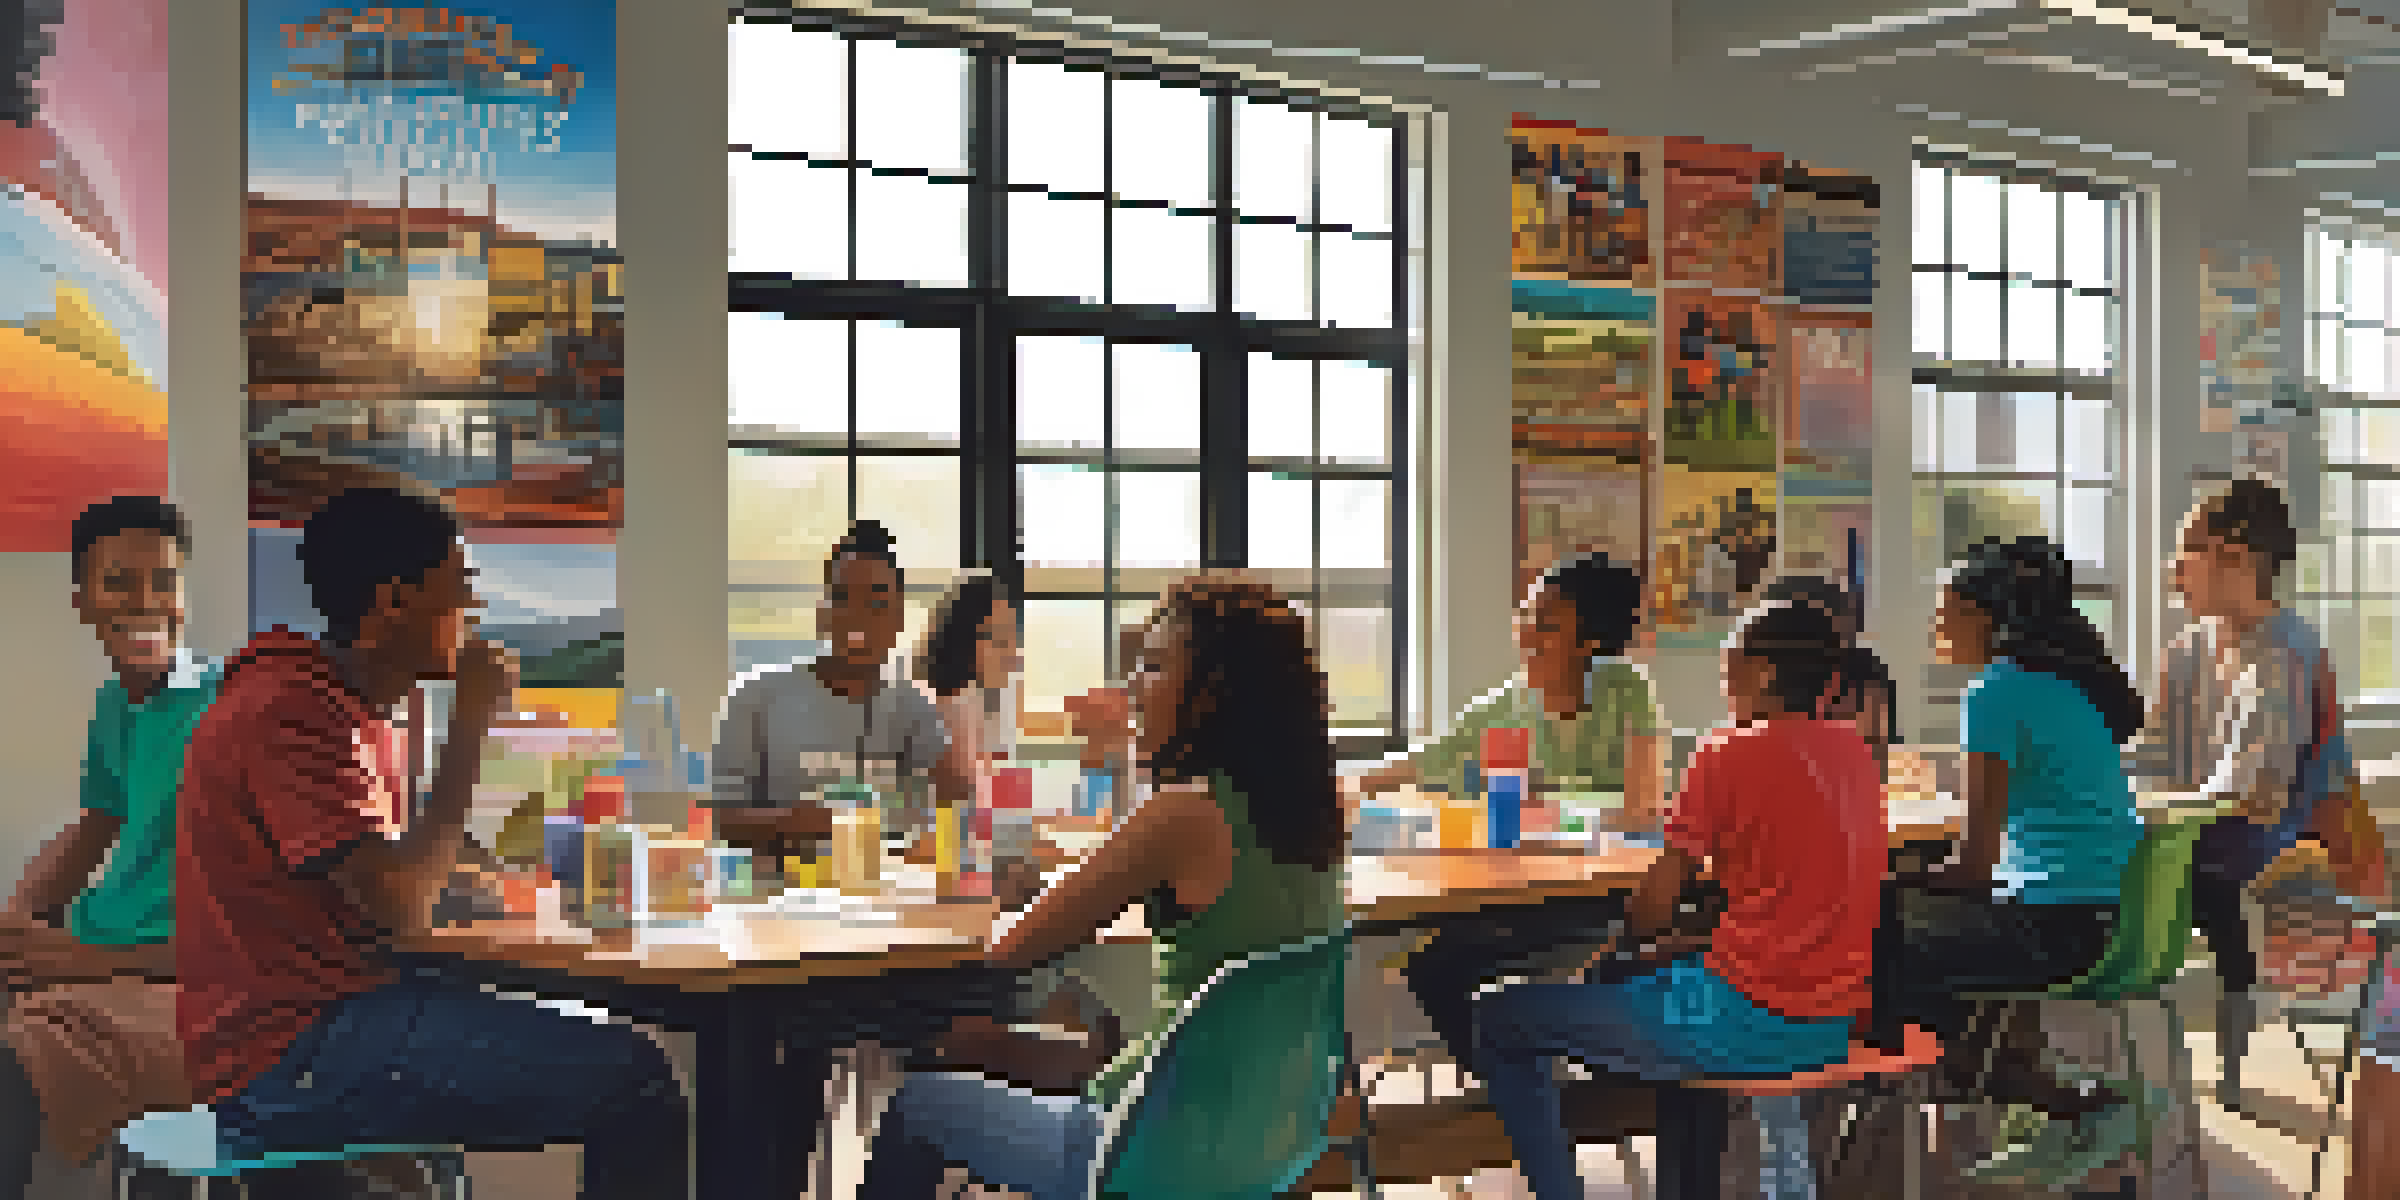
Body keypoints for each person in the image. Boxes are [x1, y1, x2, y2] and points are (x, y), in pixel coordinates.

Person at [173, 486, 688, 1200]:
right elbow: (401, 908)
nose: (474, 613)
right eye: (461, 587)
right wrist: (471, 725)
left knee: (607, 1045)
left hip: (335, 1015)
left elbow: (397, 855)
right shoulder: (288, 710)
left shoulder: (352, 707)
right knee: (636, 1081)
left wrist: (493, 877)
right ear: (394, 601)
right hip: (292, 1046)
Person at [859, 577, 1347, 1200]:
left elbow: (1016, 947)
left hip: (1147, 1151)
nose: (1133, 689)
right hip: (1267, 1145)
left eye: (1153, 666)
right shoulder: (1320, 813)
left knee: (919, 1102)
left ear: (1211, 692)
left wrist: (1018, 888)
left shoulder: (1183, 816)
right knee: (1063, 1046)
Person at [1469, 599, 1883, 1200]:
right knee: (1652, 974)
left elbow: (1656, 906)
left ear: (1765, 673)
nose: (1723, 678)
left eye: (1730, 662)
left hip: (1736, 1025)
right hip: (1831, 1027)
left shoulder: (1724, 752)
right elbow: (1793, 893)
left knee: (1500, 1014)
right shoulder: (1856, 754)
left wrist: (1628, 941)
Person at [1872, 536, 2147, 1185]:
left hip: (2059, 928)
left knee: (1874, 936)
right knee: (1904, 932)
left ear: (1985, 619)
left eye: (1947, 612)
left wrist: (1887, 880)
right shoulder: (2063, 685)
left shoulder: (1994, 694)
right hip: (2110, 916)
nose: (1936, 626)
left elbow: (1972, 866)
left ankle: (2033, 1099)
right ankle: (2025, 1087)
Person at [1350, 552, 1664, 1068]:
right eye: (1526, 616)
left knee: (1447, 968)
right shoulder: (1512, 703)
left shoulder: (1625, 692)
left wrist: (1552, 806)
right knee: (1431, 967)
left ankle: (1528, 1086)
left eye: (1547, 624)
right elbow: (1435, 755)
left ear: (1590, 643)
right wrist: (1354, 781)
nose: (1525, 633)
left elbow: (1642, 809)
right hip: (1526, 896)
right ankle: (1513, 1087)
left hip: (1604, 902)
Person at [2130, 479, 2387, 1111]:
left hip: (2282, 843)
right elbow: (2154, 751)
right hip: (2204, 828)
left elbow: (2256, 795)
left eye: (2189, 549)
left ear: (2237, 560)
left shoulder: (2287, 658)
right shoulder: (2187, 649)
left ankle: (2196, 1072)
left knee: (2179, 876)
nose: (2174, 568)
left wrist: (2159, 807)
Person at [711, 519, 962, 870]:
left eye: (876, 603)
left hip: (882, 903)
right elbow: (717, 819)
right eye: (842, 599)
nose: (856, 618)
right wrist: (792, 825)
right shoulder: (755, 697)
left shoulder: (912, 706)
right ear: (822, 613)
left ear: (898, 618)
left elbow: (956, 810)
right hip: (776, 905)